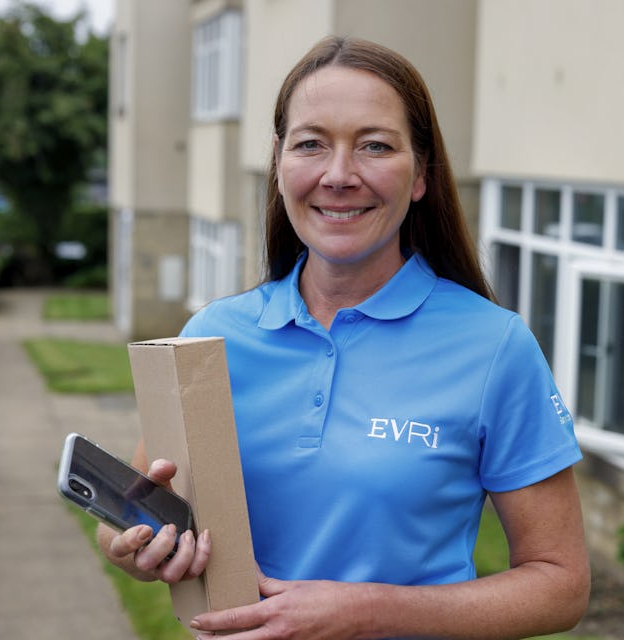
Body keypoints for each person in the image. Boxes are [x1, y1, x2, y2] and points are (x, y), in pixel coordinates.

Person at [97, 35, 590, 639]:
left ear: (420, 176)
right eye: (310, 145)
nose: (338, 175)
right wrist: (137, 546)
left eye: (375, 146)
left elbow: (560, 584)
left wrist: (369, 612)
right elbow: (128, 510)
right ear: (279, 163)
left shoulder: (495, 347)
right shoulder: (212, 336)